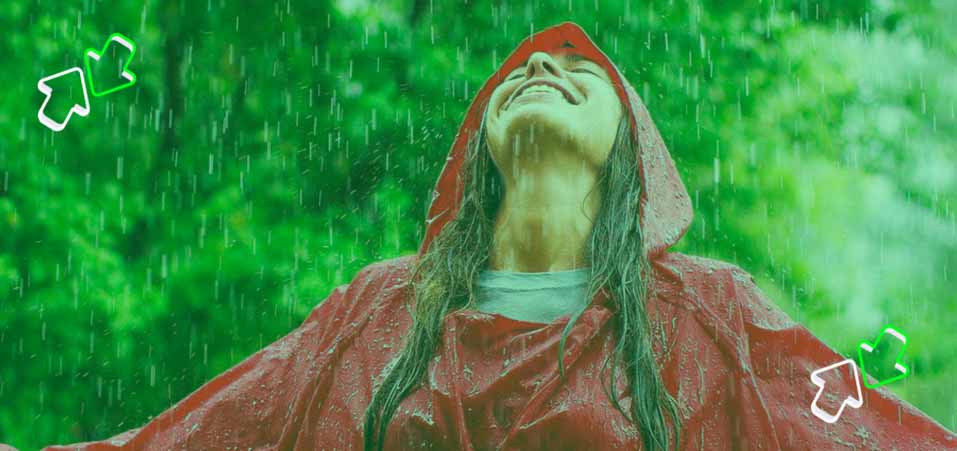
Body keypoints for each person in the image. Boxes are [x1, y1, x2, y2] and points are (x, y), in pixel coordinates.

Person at [14, 21, 956, 451]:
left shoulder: (707, 312)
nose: (540, 67)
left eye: (577, 73)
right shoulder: (380, 311)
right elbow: (217, 428)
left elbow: (863, 428)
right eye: (519, 71)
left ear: (628, 150)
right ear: (480, 147)